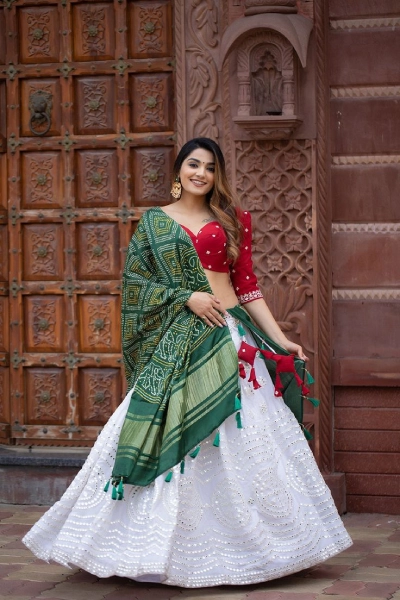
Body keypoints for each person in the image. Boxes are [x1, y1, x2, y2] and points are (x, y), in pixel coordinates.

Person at [23, 137, 351, 588]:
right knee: (169, 433)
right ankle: (151, 549)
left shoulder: (233, 220)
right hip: (180, 341)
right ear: (178, 172)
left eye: (210, 167)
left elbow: (248, 287)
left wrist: (280, 339)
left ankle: (257, 548)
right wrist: (186, 296)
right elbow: (136, 285)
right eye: (193, 165)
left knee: (245, 438)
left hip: (231, 337)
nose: (201, 173)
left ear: (218, 176)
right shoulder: (155, 222)